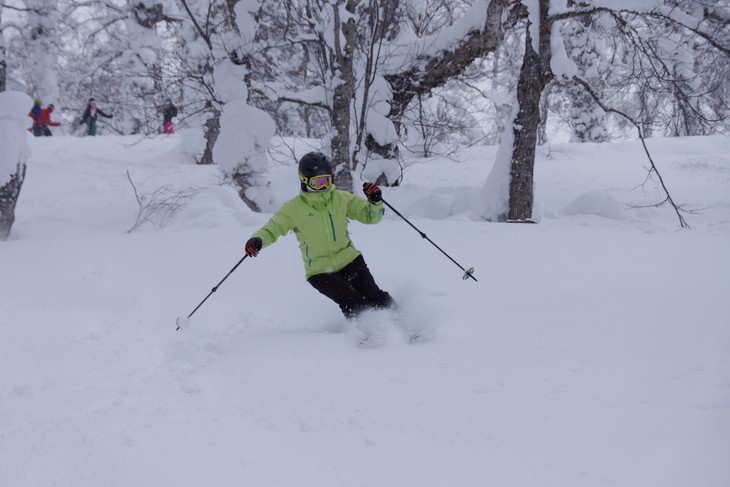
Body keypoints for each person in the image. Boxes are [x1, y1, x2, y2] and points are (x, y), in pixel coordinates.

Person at [245, 151, 395, 322]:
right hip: (320, 271)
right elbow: (273, 228)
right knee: (352, 301)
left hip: (350, 260)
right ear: (304, 180)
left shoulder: (341, 199)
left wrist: (375, 202)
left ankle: (402, 319)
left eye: (327, 180)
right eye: (317, 182)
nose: (323, 187)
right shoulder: (294, 208)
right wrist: (258, 240)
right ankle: (367, 331)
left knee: (375, 296)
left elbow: (371, 217)